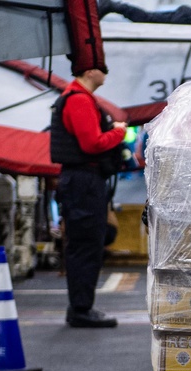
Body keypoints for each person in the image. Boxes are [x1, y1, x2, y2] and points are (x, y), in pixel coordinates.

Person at [50, 64, 127, 327]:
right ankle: (81, 309)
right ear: (88, 71)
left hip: (84, 181)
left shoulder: (81, 98)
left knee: (89, 242)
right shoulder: (79, 100)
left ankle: (82, 306)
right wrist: (118, 132)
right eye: (101, 66)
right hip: (83, 182)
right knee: (86, 245)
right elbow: (91, 143)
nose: (106, 71)